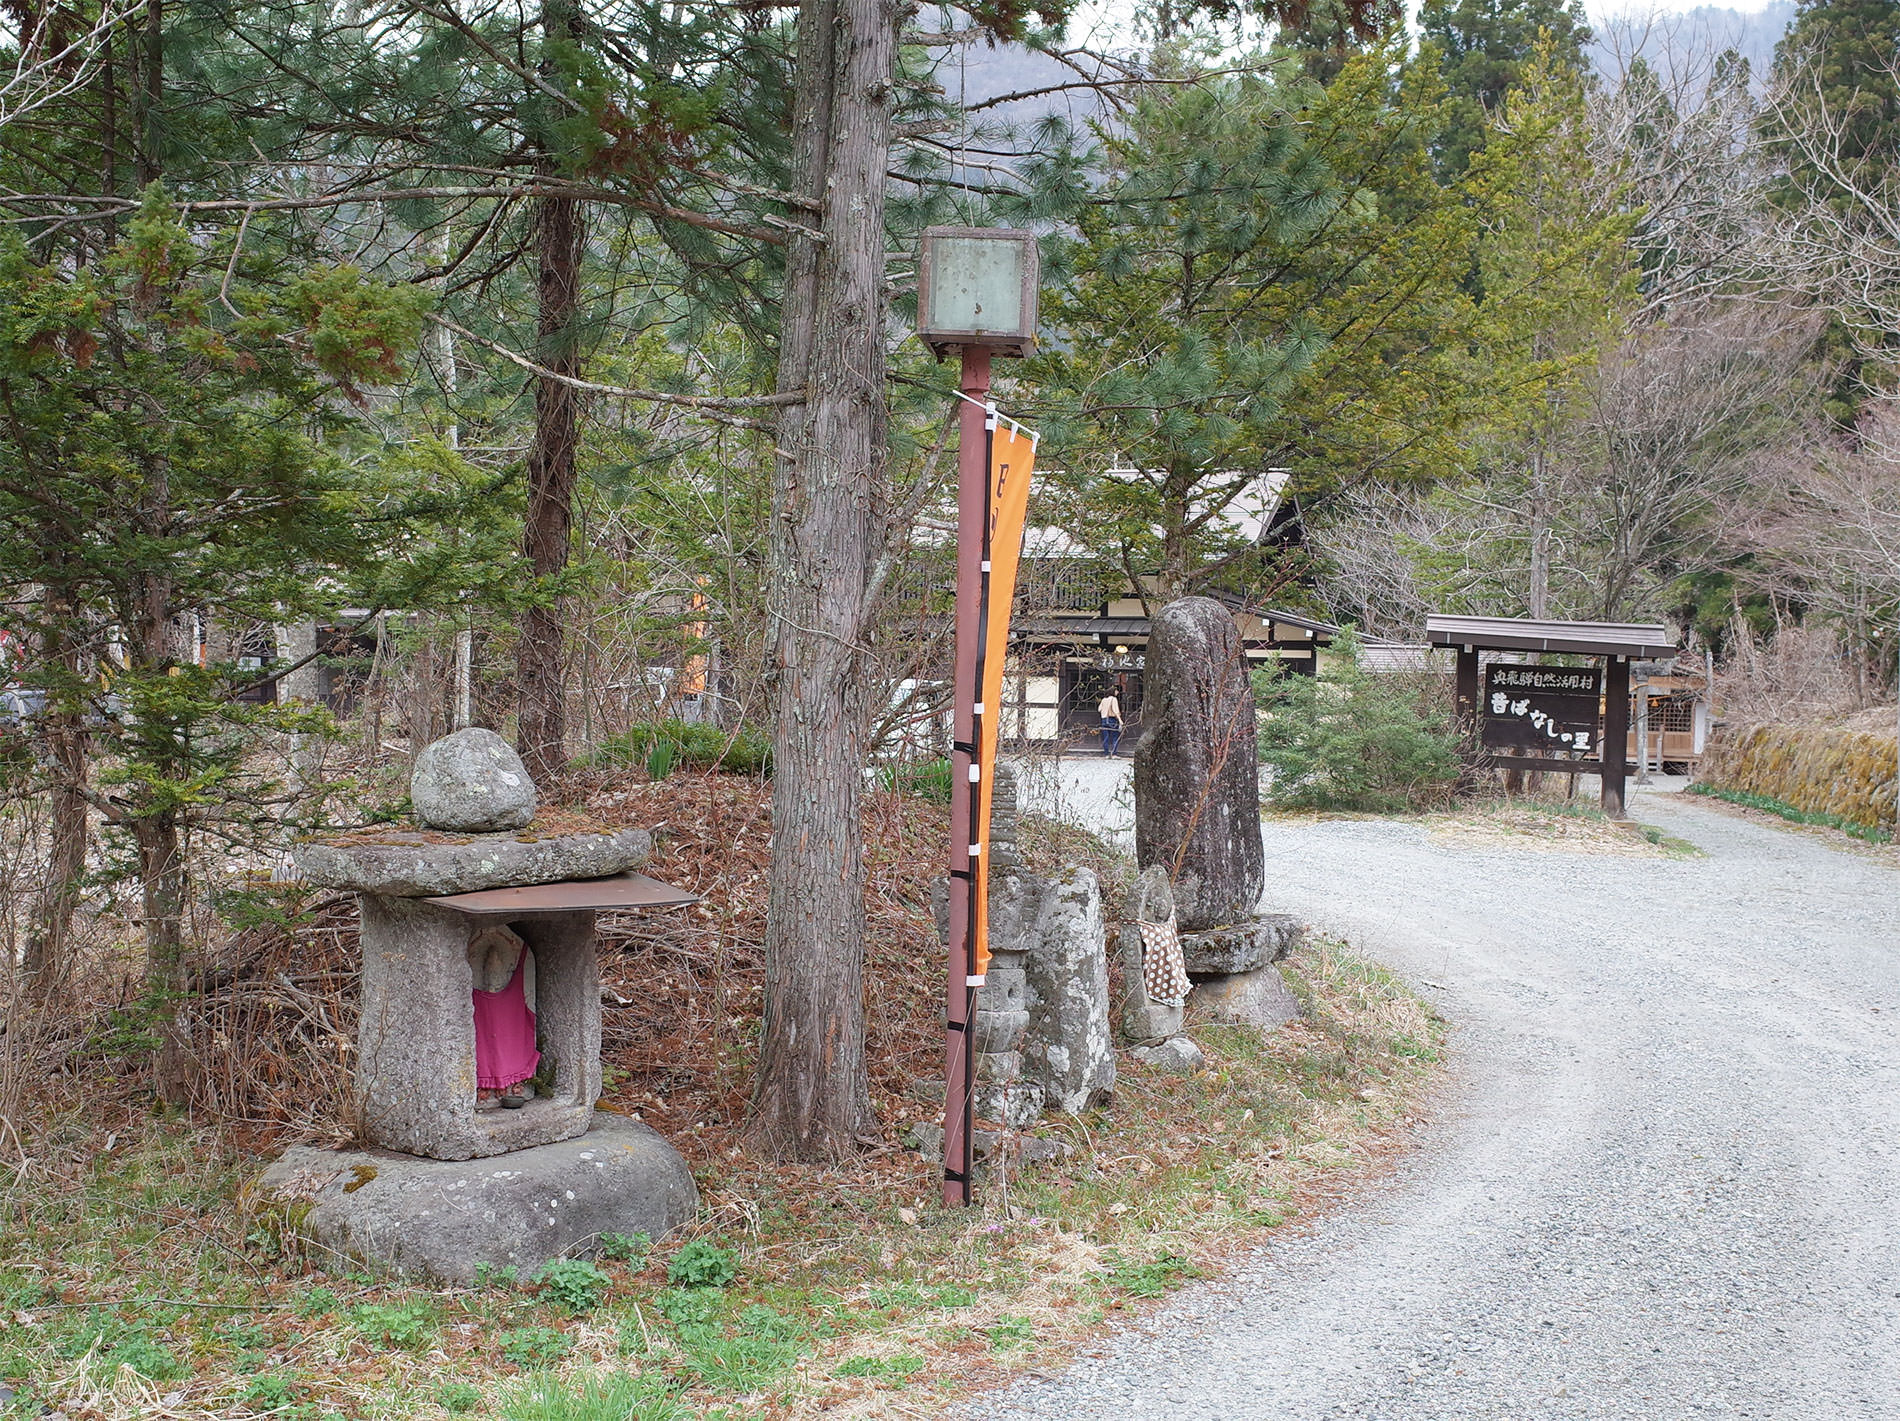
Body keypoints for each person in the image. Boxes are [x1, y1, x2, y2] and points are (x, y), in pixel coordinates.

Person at [1098, 690, 1123, 757]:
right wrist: (1120, 720)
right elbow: (1116, 710)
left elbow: (1099, 709)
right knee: (1115, 736)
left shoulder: (1103, 700)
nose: (1117, 692)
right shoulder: (1114, 699)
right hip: (1111, 719)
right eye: (1116, 691)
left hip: (1104, 719)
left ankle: (1106, 753)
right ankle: (1114, 754)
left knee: (1106, 737)